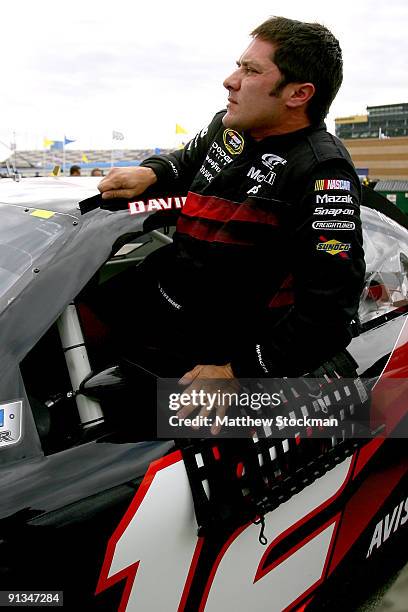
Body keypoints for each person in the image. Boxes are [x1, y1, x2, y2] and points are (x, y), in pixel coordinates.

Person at [97, 16, 365, 432]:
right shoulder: (229, 128)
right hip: (166, 312)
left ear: (299, 94)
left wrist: (239, 372)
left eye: (251, 70)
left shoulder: (322, 173)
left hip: (219, 360)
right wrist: (152, 173)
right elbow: (184, 161)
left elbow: (329, 309)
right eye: (239, 65)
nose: (230, 80)